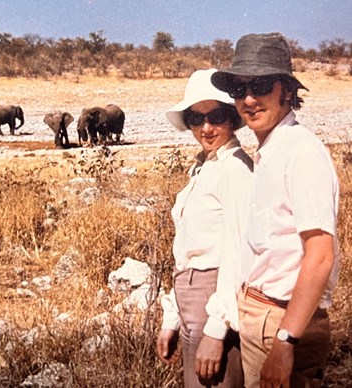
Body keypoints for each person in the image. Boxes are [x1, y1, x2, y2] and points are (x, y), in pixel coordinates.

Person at [211, 33, 340, 388]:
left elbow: (320, 256)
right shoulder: (272, 151)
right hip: (263, 316)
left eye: (261, 86)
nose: (249, 100)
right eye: (240, 90)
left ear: (286, 90)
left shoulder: (301, 152)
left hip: (280, 323)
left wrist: (285, 341)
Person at [157, 68, 253, 388]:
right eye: (196, 119)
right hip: (192, 303)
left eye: (216, 116)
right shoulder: (204, 167)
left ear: (233, 118)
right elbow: (187, 250)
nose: (206, 128)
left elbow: (239, 253)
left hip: (215, 303)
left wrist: (217, 328)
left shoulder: (235, 169)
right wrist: (172, 317)